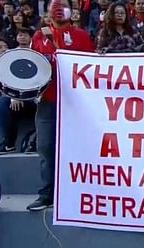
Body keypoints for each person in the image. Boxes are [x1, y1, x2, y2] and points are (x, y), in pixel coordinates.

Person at [27, 0, 94, 211]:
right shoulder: (38, 37)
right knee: (46, 148)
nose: (58, 8)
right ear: (47, 11)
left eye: (62, 4)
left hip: (74, 104)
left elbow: (92, 68)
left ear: (71, 11)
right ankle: (47, 194)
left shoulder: (82, 36)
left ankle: (76, 193)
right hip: (47, 103)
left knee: (76, 150)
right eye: (54, 4)